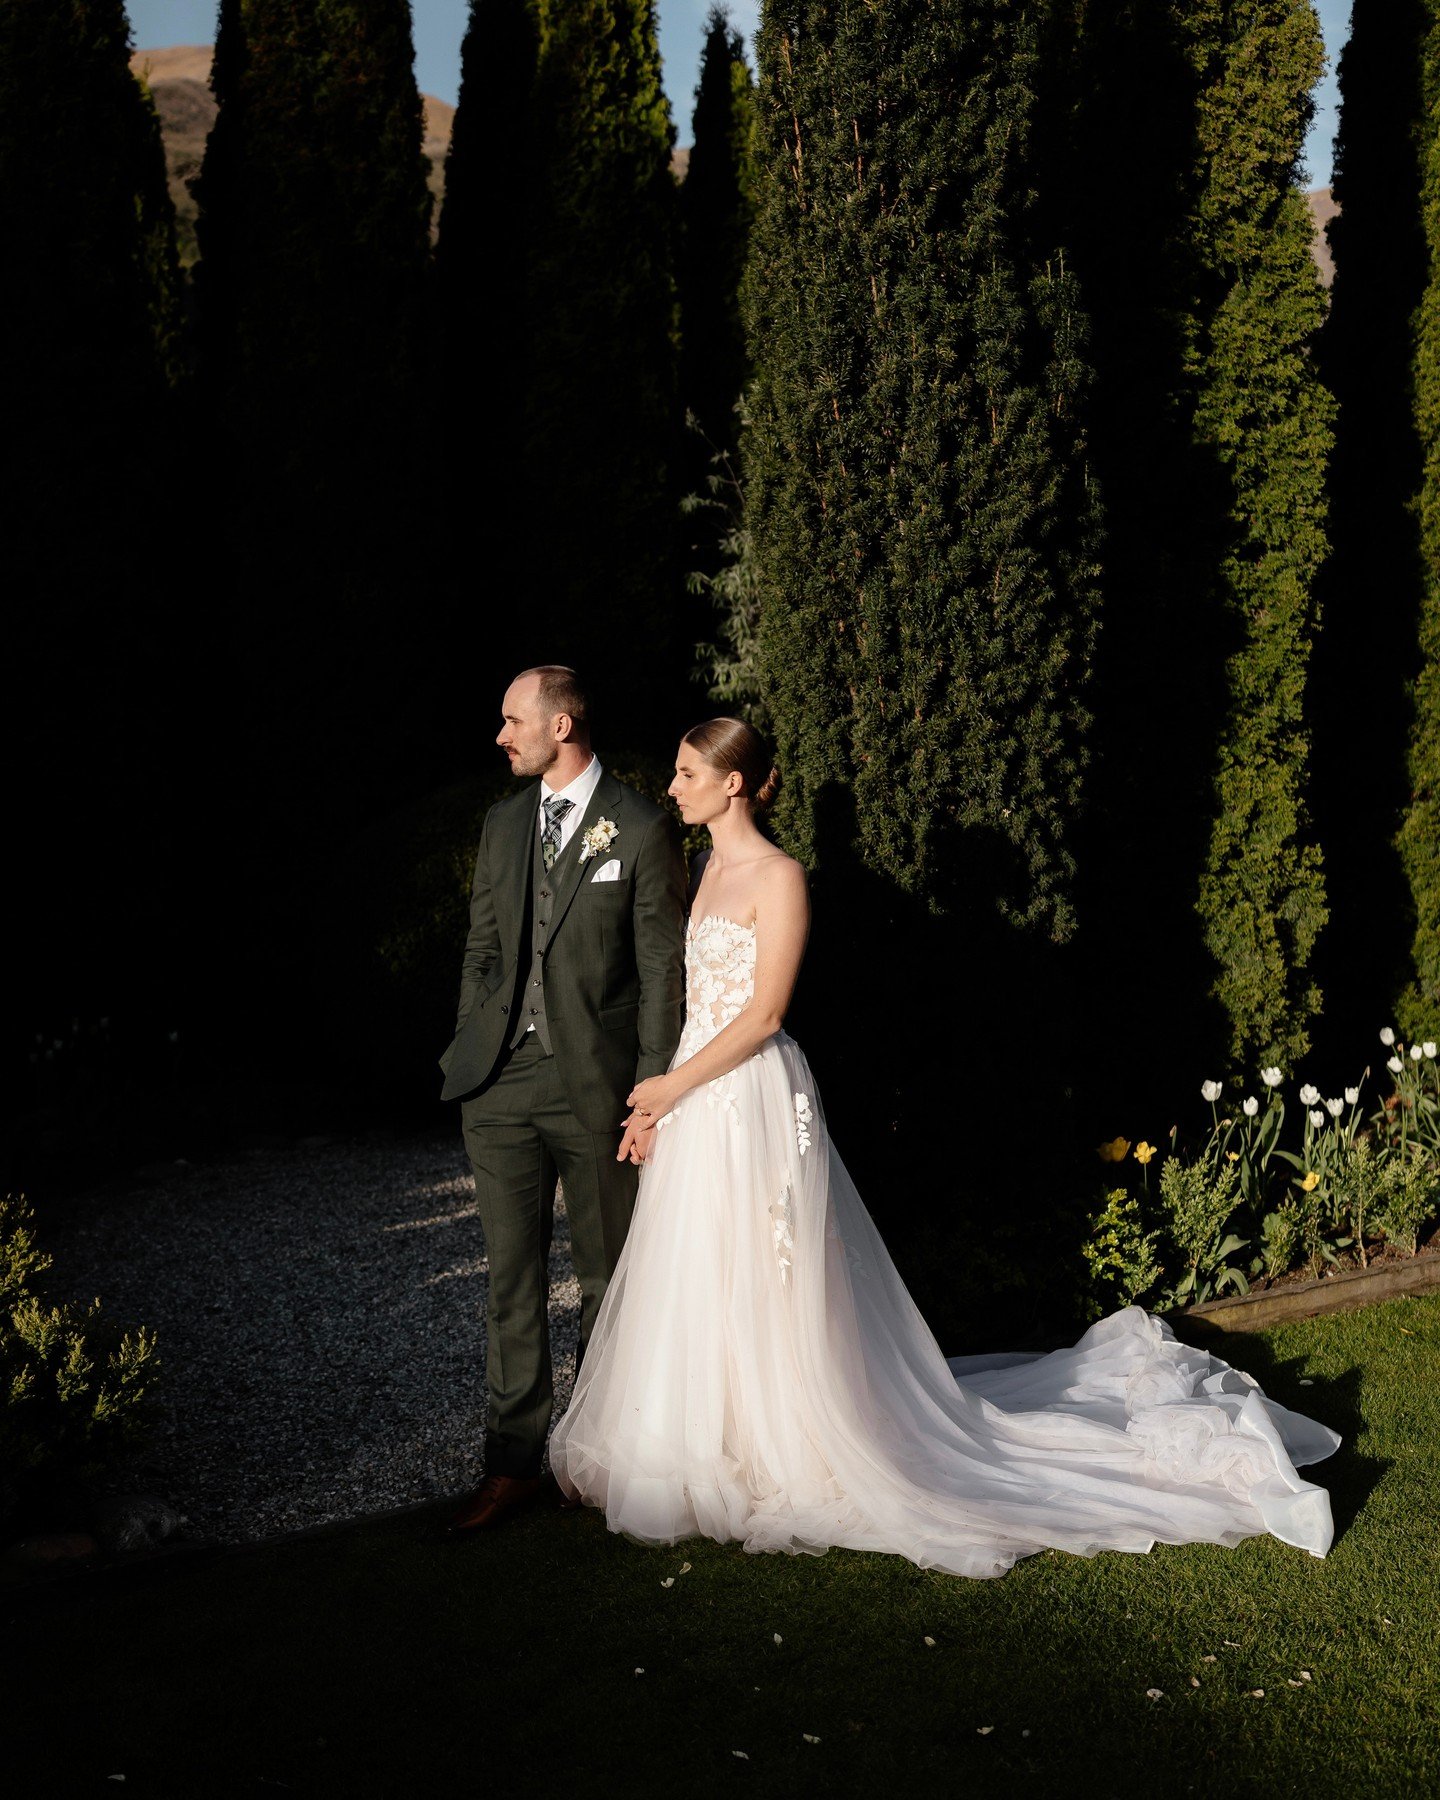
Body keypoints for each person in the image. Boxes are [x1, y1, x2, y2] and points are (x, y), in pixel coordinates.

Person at [550, 718, 1339, 1577]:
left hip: (750, 1095)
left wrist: (672, 1087)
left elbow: (764, 1014)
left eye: (685, 772)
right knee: (702, 1262)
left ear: (733, 783)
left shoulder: (779, 877)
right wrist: (659, 1103)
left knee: (769, 1268)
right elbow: (700, 1004)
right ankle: (714, 1436)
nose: (672, 787)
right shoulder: (702, 868)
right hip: (699, 1094)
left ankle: (792, 1439)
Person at [439, 666, 686, 1532]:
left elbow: (662, 969)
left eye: (514, 721)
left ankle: (602, 1458)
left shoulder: (644, 827)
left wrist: (651, 1091)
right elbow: (482, 949)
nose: (502, 736)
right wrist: (473, 1042)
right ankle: (512, 1466)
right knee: (510, 1282)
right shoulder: (504, 825)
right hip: (499, 1088)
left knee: (607, 1281)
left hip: (598, 1087)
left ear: (563, 723)